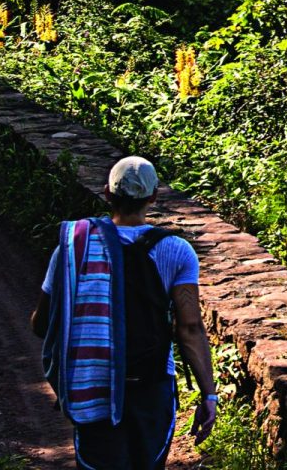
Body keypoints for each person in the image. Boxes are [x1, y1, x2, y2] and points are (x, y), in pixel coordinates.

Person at [32, 156, 219, 468]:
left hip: (94, 387)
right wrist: (208, 395)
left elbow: (42, 325)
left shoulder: (73, 247)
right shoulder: (176, 250)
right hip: (151, 387)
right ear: (154, 197)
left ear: (107, 194)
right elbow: (189, 329)